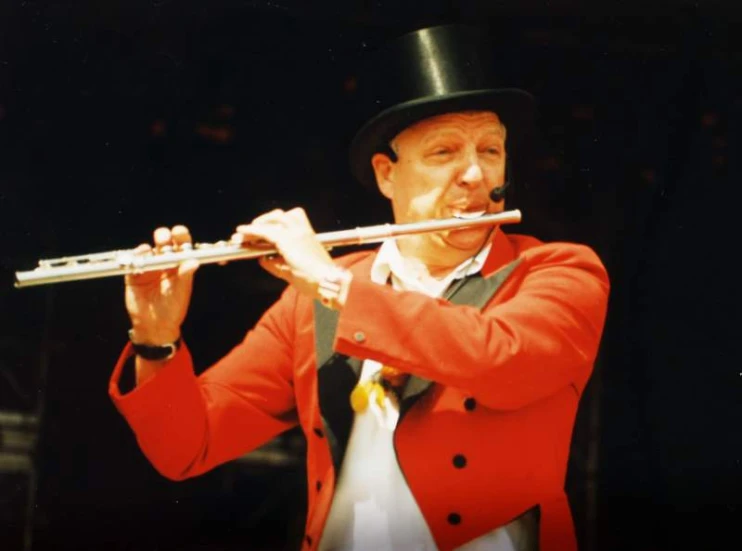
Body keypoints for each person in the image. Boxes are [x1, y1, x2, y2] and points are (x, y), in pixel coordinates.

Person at [109, 25, 609, 551]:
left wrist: (333, 282)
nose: (473, 174)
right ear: (386, 175)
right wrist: (155, 337)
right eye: (444, 152)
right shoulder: (313, 297)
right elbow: (189, 446)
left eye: (490, 150)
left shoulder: (558, 271)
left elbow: (501, 359)